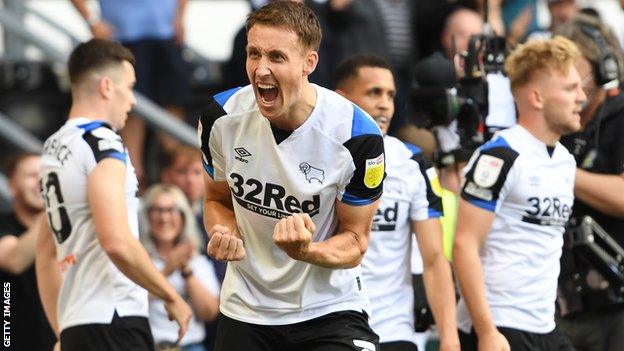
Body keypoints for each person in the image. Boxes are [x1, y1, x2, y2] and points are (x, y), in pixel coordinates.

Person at [198, 2, 384, 350]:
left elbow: (356, 242)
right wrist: (223, 229)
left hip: (328, 308)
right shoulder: (219, 118)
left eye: (276, 57)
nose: (261, 69)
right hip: (248, 309)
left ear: (308, 63)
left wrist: (307, 250)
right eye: (254, 54)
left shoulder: (357, 135)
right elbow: (216, 199)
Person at [36, 39, 192, 351]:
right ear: (107, 86)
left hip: (79, 323)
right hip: (115, 318)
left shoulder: (54, 147)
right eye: (130, 87)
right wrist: (170, 295)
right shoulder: (102, 143)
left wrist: (61, 329)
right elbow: (117, 241)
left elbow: (44, 252)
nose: (132, 100)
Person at [453, 36, 585, 351]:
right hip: (498, 325)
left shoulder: (565, 160)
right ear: (536, 97)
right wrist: (486, 331)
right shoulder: (500, 154)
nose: (581, 97)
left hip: (545, 325)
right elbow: (463, 244)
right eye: (570, 88)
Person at [335, 54, 460, 351]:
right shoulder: (315, 158)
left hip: (395, 330)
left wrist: (450, 338)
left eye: (390, 95)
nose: (384, 104)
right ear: (341, 99)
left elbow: (433, 259)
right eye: (373, 92)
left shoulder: (413, 162)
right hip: (332, 327)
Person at [554, 14, 624, 351]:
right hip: (563, 305)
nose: (567, 78)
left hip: (617, 306)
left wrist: (558, 171)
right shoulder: (555, 124)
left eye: (574, 65)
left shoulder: (621, 114)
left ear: (602, 67)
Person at [70, 0, 190, 183]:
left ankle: (177, 180)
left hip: (165, 34)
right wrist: (92, 21)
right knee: (130, 108)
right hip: (123, 37)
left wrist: (180, 17)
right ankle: (134, 180)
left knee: (171, 106)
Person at [141, 184, 220, 351]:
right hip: (149, 345)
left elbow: (209, 312)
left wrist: (186, 270)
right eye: (157, 210)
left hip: (191, 346)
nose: (164, 218)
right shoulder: (139, 260)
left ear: (183, 217)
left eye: (172, 210)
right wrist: (168, 268)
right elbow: (132, 299)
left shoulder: (197, 262)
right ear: (147, 215)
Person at [0, 153, 56, 351]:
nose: (41, 182)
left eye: (46, 175)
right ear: (12, 186)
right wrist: (53, 204)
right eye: (32, 175)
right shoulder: (4, 224)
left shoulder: (66, 230)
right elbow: (14, 261)